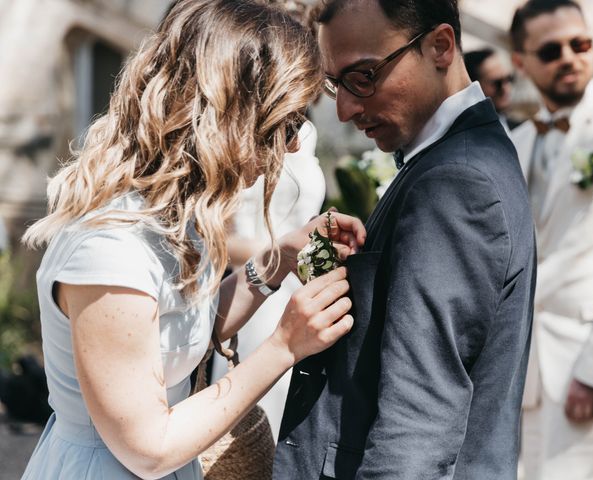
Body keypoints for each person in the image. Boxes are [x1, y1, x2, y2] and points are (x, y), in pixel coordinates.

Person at [19, 1, 365, 479]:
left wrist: (279, 260)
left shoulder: (177, 215)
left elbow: (183, 333)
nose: (290, 146)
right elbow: (149, 448)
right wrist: (284, 345)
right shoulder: (110, 249)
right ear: (231, 115)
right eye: (285, 122)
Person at [273, 0, 536, 478]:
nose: (346, 107)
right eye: (336, 83)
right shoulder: (454, 158)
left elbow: (419, 417)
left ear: (440, 45)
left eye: (365, 76)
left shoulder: (456, 181)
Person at [509, 1, 593, 478]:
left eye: (580, 44)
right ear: (520, 61)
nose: (569, 57)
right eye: (550, 49)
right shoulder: (513, 142)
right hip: (524, 383)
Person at [210, 119, 326, 441]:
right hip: (252, 296)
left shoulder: (306, 135)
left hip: (303, 290)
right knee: (252, 433)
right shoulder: (239, 136)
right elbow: (220, 242)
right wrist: (280, 257)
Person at [463, 47, 519, 131]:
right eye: (497, 83)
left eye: (509, 79)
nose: (506, 88)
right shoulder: (470, 136)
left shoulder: (519, 128)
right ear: (475, 86)